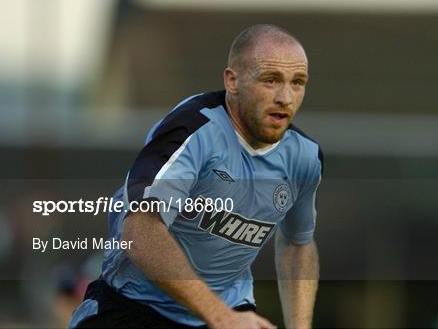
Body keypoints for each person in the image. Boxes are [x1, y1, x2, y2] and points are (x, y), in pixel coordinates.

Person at [69, 24, 323, 329]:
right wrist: (220, 317)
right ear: (232, 80)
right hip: (133, 307)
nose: (286, 97)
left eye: (298, 82)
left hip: (227, 309)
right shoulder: (193, 130)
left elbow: (297, 244)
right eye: (271, 80)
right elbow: (140, 231)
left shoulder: (304, 157)